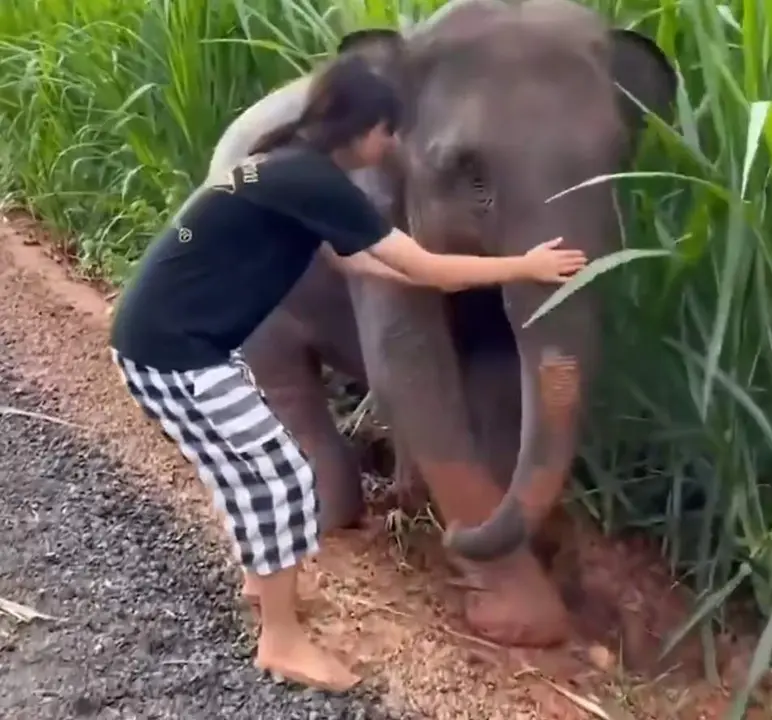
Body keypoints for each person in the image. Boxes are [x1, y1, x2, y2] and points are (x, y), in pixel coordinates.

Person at [109, 53, 587, 693]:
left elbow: (360, 264)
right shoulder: (317, 182)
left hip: (162, 340)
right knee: (280, 479)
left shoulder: (289, 166)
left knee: (246, 473)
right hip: (177, 352)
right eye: (389, 131)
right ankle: (281, 642)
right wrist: (523, 266)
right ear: (362, 130)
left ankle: (263, 583)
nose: (391, 145)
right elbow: (429, 269)